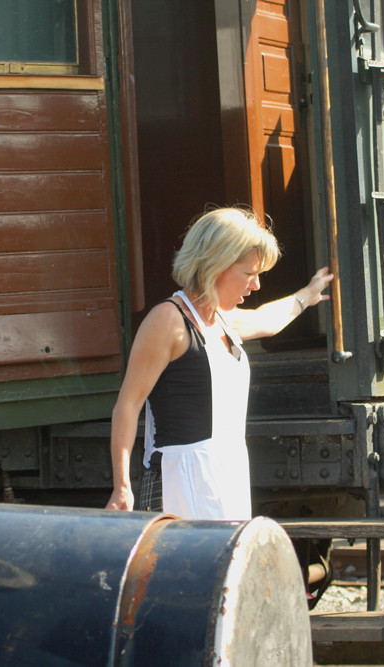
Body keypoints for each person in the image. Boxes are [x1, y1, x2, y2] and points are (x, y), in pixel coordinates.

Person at [105, 207, 334, 520]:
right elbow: (128, 405)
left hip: (226, 480)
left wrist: (307, 295)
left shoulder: (223, 320)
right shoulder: (168, 321)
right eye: (249, 274)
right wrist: (122, 487)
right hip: (179, 484)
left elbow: (267, 319)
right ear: (217, 264)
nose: (255, 286)